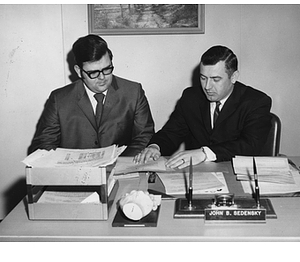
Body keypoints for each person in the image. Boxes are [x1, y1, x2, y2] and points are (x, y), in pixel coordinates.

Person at [134, 45, 272, 168]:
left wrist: (205, 153)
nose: (207, 87)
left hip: (237, 174)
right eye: (203, 78)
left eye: (215, 79)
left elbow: (251, 145)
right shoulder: (191, 97)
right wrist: (155, 146)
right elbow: (172, 132)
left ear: (234, 77)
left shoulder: (256, 101)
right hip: (199, 174)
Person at [28, 34, 154, 156]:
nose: (102, 77)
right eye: (93, 73)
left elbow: (144, 138)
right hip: (75, 173)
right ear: (79, 71)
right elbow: (44, 146)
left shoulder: (133, 92)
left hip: (119, 170)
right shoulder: (59, 99)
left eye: (107, 69)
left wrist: (118, 164)